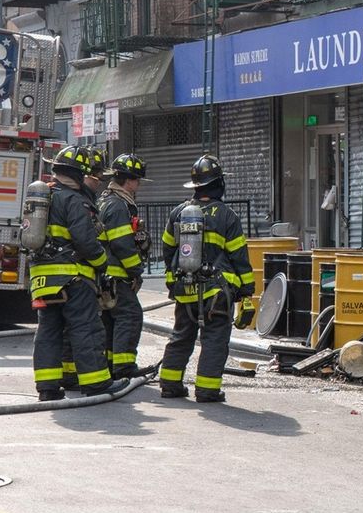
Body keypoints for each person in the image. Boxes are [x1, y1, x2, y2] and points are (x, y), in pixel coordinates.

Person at [30, 146, 126, 400]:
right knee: (86, 328)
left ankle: (48, 387)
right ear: (80, 175)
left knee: (49, 330)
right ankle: (96, 383)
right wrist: (103, 262)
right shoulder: (75, 200)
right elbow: (86, 241)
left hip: (42, 279)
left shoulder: (44, 198)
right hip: (73, 277)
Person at [158, 154, 254, 402]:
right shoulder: (226, 215)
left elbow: (168, 249)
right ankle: (207, 390)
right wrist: (247, 290)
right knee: (214, 340)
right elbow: (238, 256)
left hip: (185, 288)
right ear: (218, 184)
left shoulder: (179, 212)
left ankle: (169, 384)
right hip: (216, 292)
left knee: (181, 335)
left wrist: (172, 280)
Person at [98, 153, 150, 379]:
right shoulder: (119, 206)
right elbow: (122, 244)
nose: (138, 185)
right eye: (137, 180)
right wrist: (136, 271)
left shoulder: (105, 200)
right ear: (129, 180)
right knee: (130, 316)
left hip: (106, 275)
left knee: (111, 319)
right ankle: (124, 367)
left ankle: (111, 364)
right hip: (117, 275)